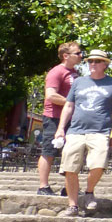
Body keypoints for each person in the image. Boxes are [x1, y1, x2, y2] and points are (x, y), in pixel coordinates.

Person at [53, 49, 112, 217]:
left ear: (105, 64)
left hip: (100, 130)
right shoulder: (78, 82)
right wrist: (61, 128)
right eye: (90, 61)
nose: (92, 64)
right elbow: (69, 105)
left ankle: (89, 191)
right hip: (76, 130)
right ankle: (73, 205)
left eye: (97, 61)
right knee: (70, 167)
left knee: (98, 165)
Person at [38, 42, 82, 195]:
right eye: (77, 53)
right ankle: (43, 186)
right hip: (54, 117)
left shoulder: (74, 73)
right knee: (49, 151)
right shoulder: (56, 72)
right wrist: (72, 102)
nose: (81, 55)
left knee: (71, 152)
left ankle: (67, 188)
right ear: (66, 56)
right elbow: (50, 95)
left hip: (71, 118)